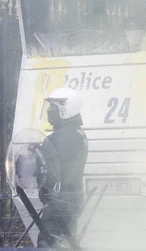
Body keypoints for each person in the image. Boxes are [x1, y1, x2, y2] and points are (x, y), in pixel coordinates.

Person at [37, 87, 88, 249]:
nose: (49, 111)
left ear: (64, 109)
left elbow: (58, 170)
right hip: (68, 198)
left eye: (52, 107)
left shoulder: (65, 136)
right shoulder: (73, 132)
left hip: (60, 201)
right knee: (66, 242)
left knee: (49, 242)